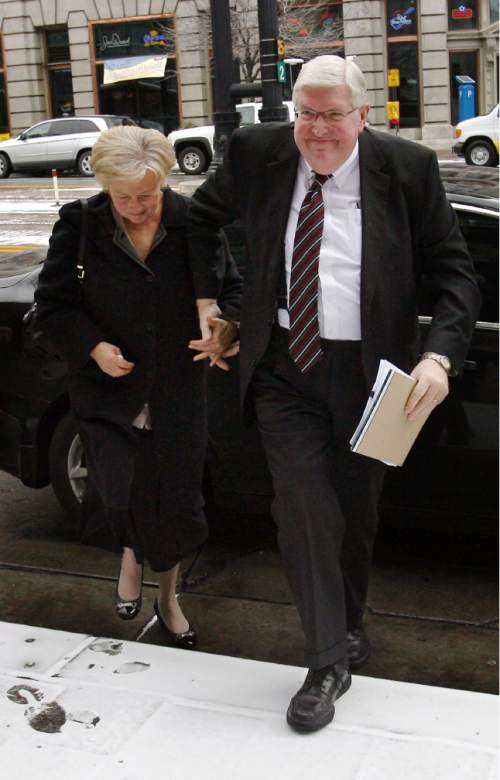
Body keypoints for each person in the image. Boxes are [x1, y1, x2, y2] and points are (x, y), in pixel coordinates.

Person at [187, 55, 480, 730]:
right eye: (307, 114)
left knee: (354, 512)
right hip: (285, 366)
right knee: (302, 504)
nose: (318, 131)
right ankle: (325, 662)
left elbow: (457, 273)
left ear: (362, 116)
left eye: (333, 116)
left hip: (375, 376)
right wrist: (214, 301)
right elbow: (200, 220)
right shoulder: (259, 152)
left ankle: (347, 626)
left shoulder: (406, 169)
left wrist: (439, 356)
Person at [35, 125, 240, 648]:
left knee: (175, 505)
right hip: (109, 393)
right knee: (120, 490)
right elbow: (54, 306)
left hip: (178, 390)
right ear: (104, 186)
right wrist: (93, 348)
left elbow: (234, 292)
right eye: (122, 196)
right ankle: (129, 558)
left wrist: (225, 331)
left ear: (165, 183)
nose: (135, 207)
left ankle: (168, 598)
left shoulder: (194, 222)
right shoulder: (80, 225)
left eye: (146, 196)